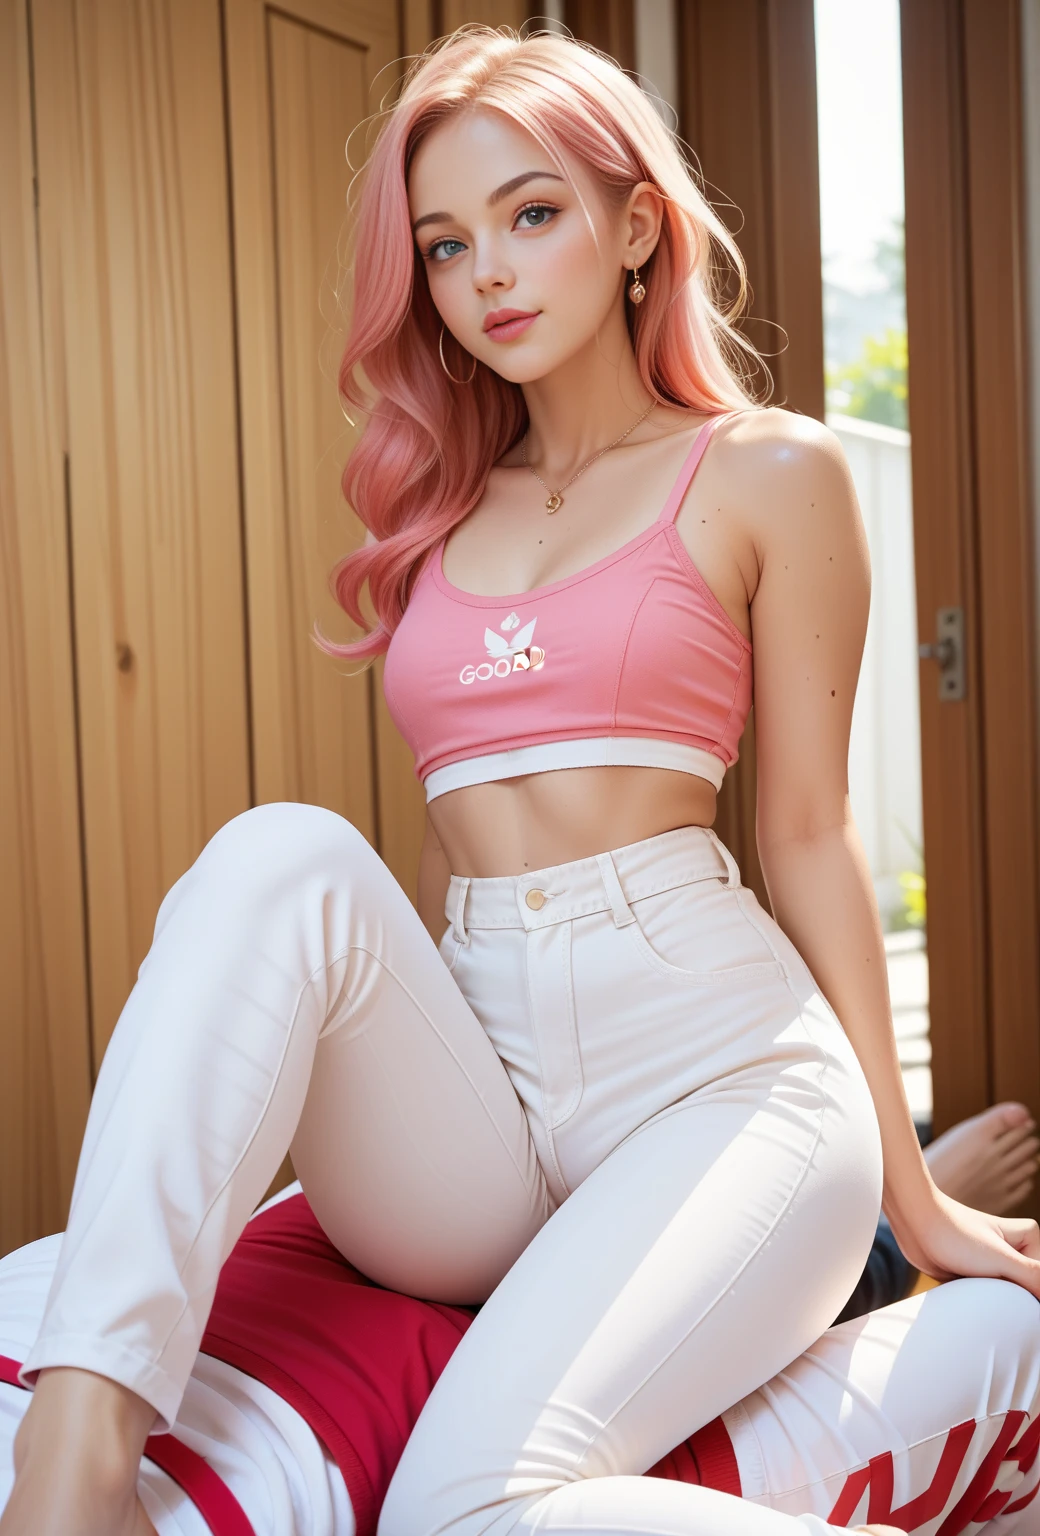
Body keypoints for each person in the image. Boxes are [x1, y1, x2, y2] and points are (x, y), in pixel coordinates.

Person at [3, 26, 1038, 1536]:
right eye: (444, 244)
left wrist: (906, 1178)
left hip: (711, 1066)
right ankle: (74, 1465)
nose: (486, 271)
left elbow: (808, 837)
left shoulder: (768, 472)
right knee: (283, 852)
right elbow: (436, 850)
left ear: (634, 227)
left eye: (532, 213)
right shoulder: (435, 513)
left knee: (473, 1509)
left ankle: (875, 1241)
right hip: (482, 1093)